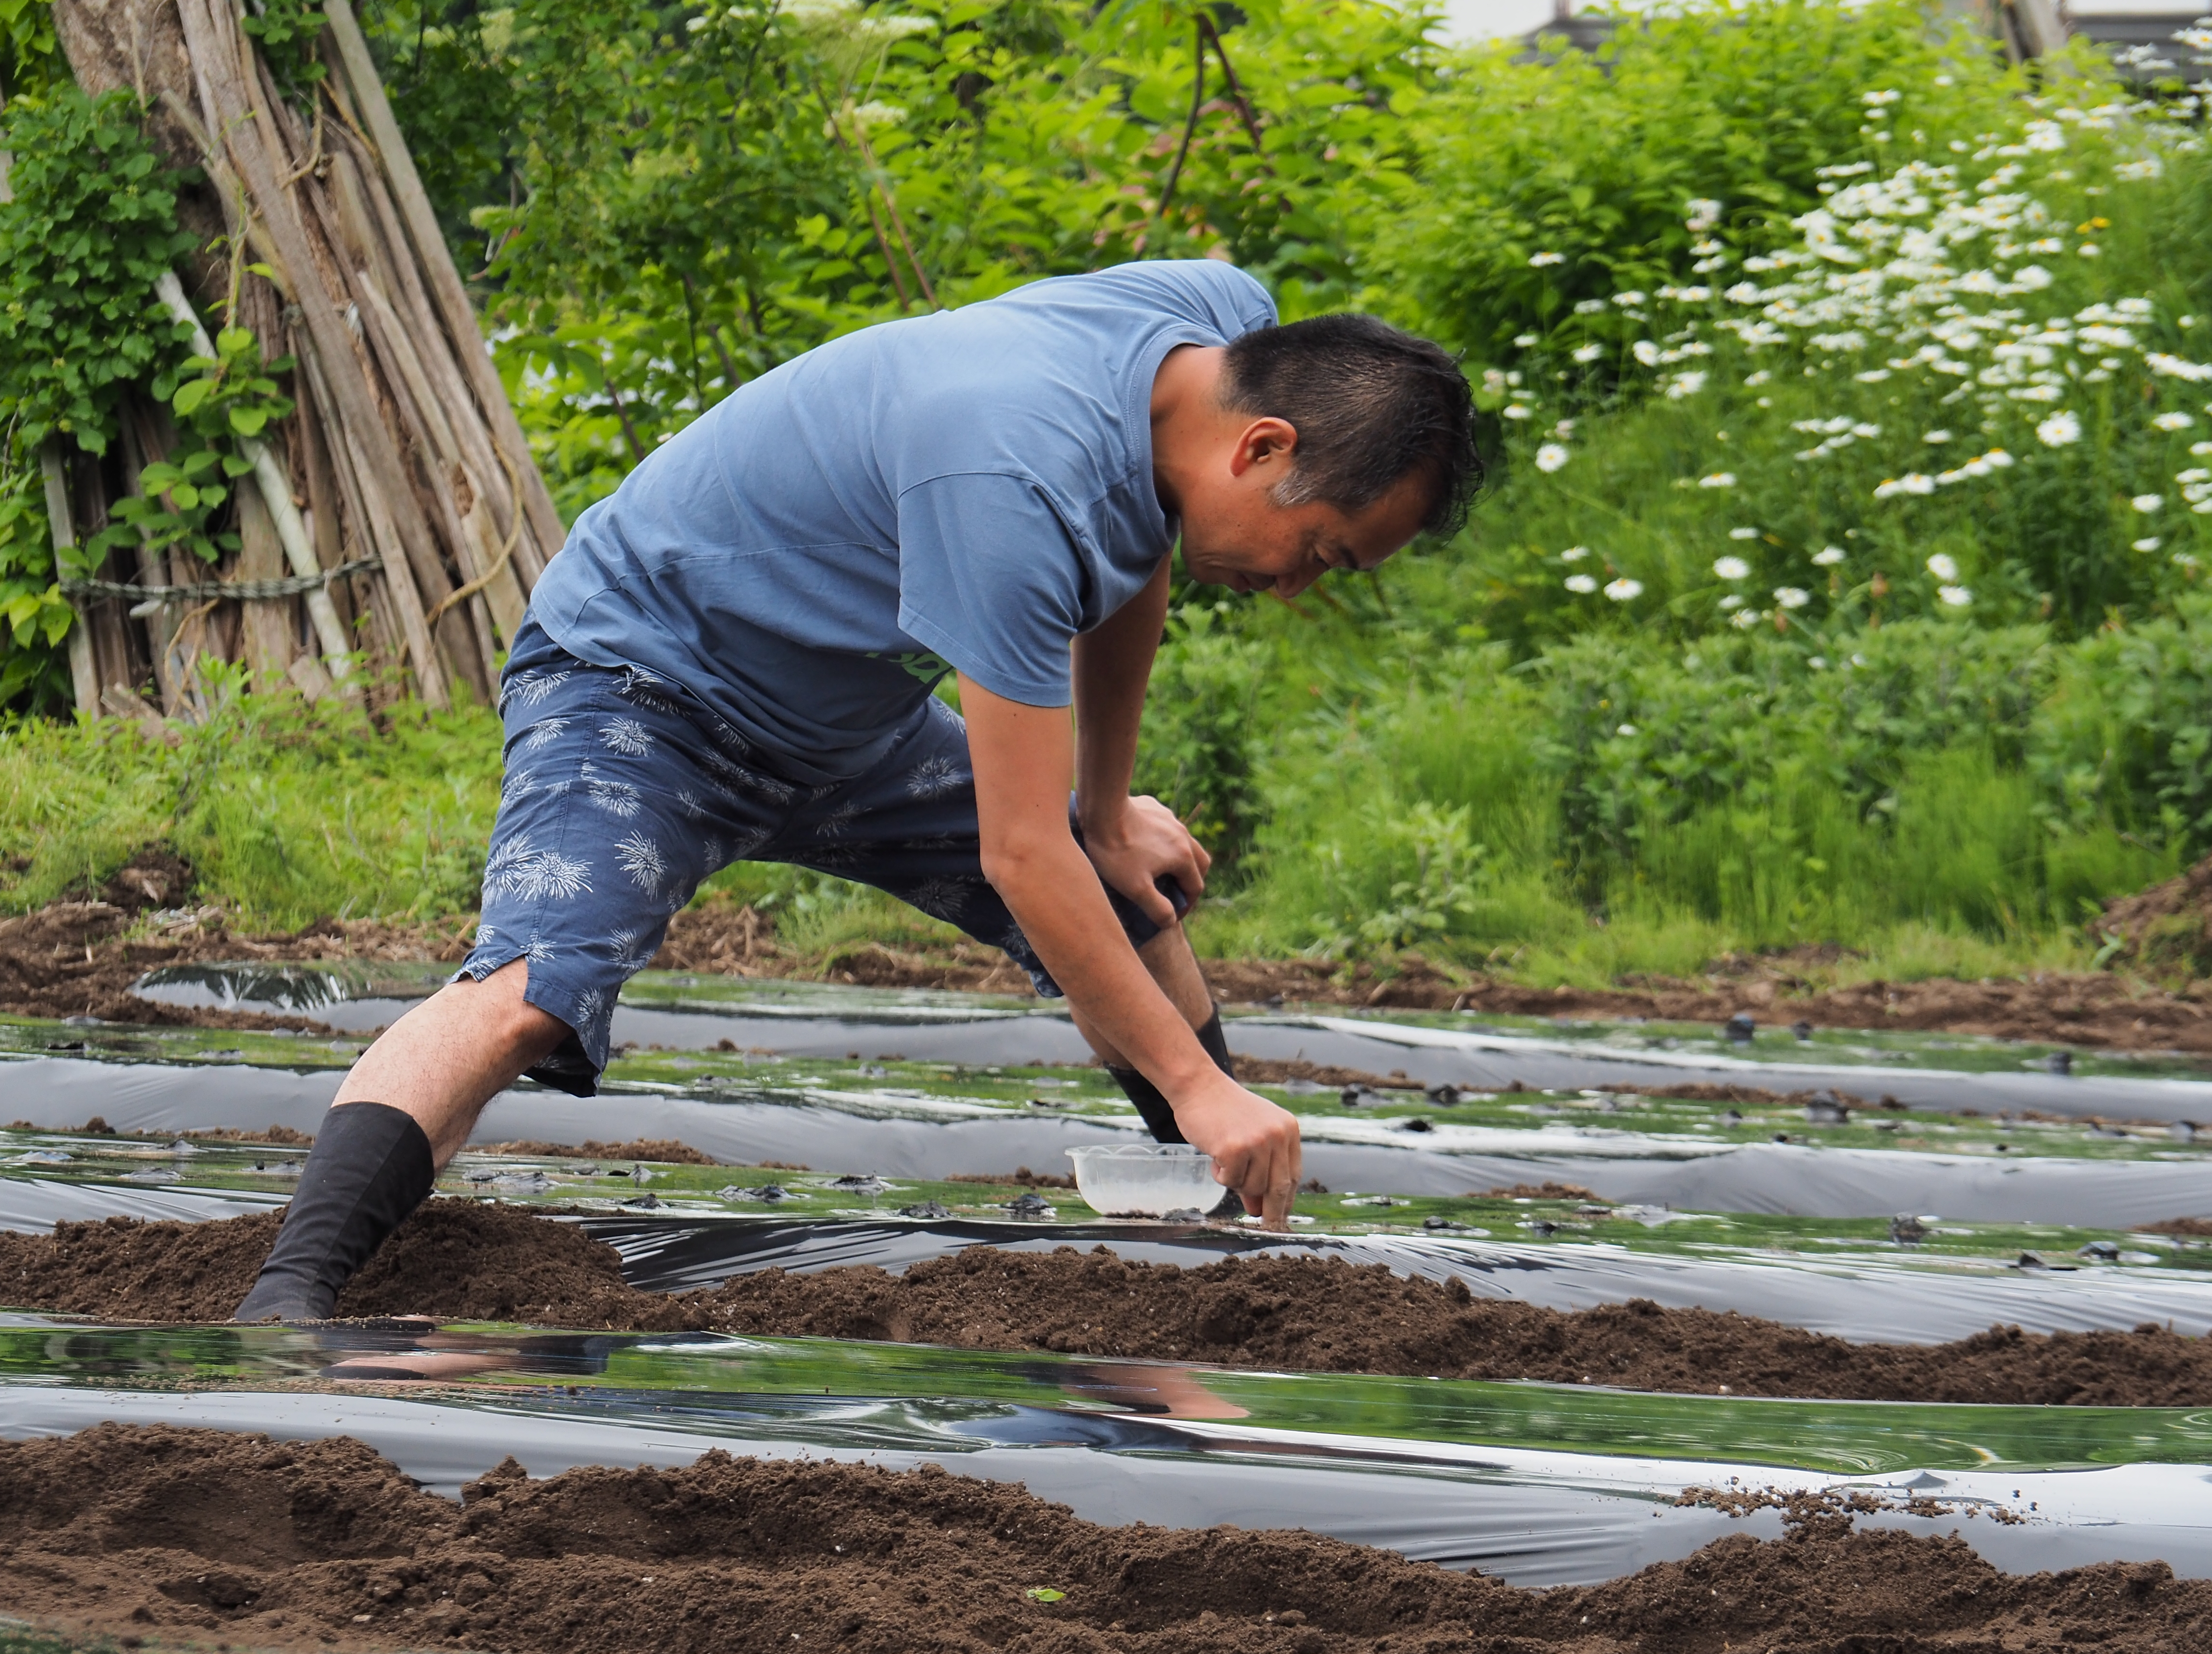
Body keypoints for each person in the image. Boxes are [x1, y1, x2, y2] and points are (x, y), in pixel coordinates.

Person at [233, 259, 1477, 1322]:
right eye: (1317, 550)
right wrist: (1201, 1076)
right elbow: (1018, 856)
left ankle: (1222, 1254)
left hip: (840, 717)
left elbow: (1135, 542)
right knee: (531, 996)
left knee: (1133, 907)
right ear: (1262, 450)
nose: (1303, 584)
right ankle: (285, 1305)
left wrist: (1104, 811)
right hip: (644, 679)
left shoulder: (1212, 331)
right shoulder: (1009, 477)